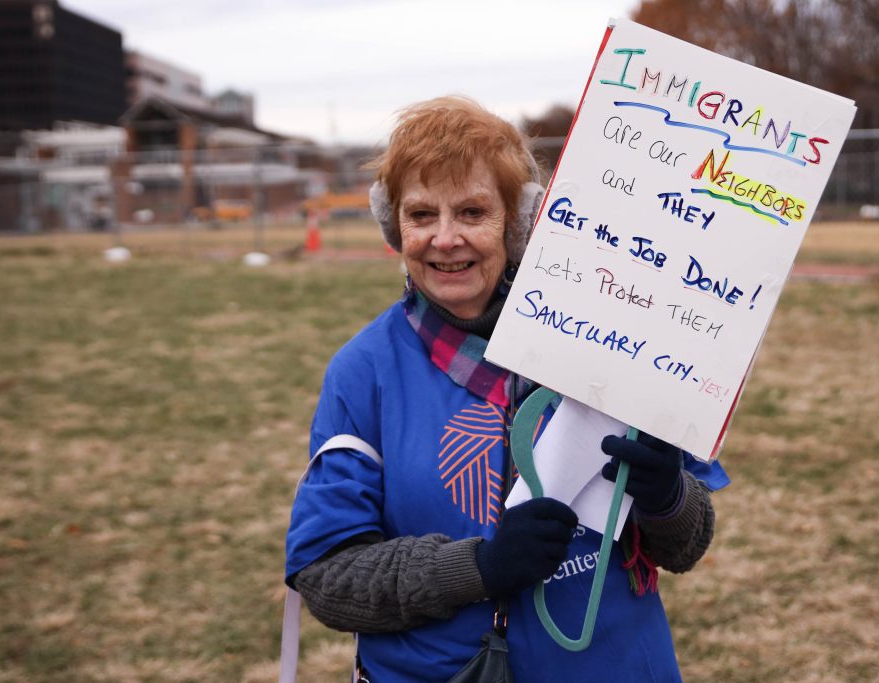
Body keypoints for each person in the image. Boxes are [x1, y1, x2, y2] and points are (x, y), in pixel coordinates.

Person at [284, 96, 730, 682]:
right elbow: (328, 576)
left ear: (517, 223)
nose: (445, 239)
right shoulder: (363, 370)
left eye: (472, 212)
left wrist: (666, 493)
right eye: (421, 215)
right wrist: (478, 568)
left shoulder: (608, 337)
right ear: (395, 227)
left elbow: (685, 546)